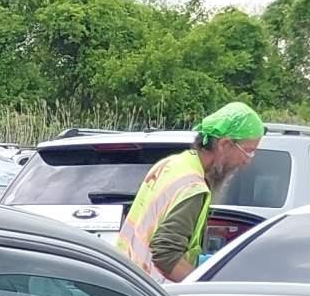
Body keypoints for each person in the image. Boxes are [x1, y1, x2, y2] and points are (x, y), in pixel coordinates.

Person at [113, 102, 265, 283]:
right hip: (154, 293)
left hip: (129, 281)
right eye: (248, 152)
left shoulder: (172, 164)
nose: (247, 161)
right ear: (224, 144)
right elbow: (166, 255)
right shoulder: (192, 187)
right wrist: (201, 289)